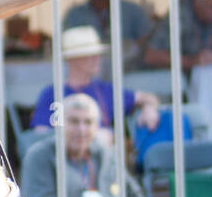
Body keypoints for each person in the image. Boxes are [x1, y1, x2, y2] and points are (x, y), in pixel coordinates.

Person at [21, 93, 171, 197]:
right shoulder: (40, 156)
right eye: (74, 121)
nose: (82, 129)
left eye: (88, 122)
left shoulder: (105, 153)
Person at [28, 26, 161, 143]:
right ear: (72, 59)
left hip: (102, 166)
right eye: (89, 55)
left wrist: (149, 108)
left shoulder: (105, 90)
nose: (97, 59)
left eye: (97, 55)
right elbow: (40, 136)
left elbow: (147, 97)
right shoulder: (52, 94)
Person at [61, 0, 154, 66]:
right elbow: (65, 42)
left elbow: (147, 38)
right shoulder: (76, 14)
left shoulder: (132, 10)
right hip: (88, 70)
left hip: (128, 70)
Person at [142, 0, 212, 71]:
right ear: (196, 1)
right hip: (167, 77)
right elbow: (150, 56)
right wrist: (191, 61)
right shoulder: (179, 16)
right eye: (211, 7)